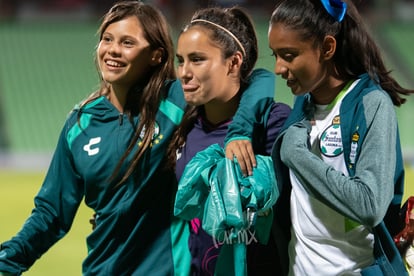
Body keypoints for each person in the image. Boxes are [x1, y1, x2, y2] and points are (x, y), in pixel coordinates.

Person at [0, 1, 277, 275]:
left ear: (156, 55)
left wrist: (239, 131)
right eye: (107, 39)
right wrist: (8, 260)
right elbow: (51, 214)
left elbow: (257, 79)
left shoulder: (176, 102)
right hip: (100, 269)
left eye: (127, 42)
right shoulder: (80, 124)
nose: (112, 50)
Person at [268, 0, 414, 275]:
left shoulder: (371, 104)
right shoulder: (303, 102)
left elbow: (369, 204)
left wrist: (296, 155)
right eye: (275, 54)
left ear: (327, 48)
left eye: (288, 55)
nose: (278, 68)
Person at [166, 6, 291, 275]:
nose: (184, 72)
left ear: (233, 63)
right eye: (180, 60)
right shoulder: (183, 126)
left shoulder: (274, 123)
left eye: (197, 59)